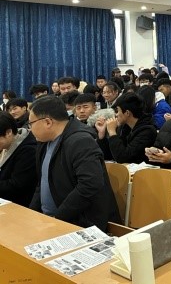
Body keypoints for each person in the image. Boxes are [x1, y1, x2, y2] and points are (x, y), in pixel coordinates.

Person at [28, 96, 120, 231]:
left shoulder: (81, 141)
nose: (30, 129)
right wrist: (31, 214)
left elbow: (90, 185)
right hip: (49, 220)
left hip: (78, 222)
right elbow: (43, 182)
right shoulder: (44, 142)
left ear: (48, 122)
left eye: (31, 123)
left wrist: (57, 218)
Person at [96, 92, 157, 164]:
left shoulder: (147, 131)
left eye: (118, 110)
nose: (116, 115)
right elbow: (109, 155)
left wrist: (112, 132)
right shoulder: (124, 127)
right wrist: (102, 135)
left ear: (127, 113)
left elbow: (123, 158)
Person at [0, 112, 37, 206]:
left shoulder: (28, 150)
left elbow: (17, 185)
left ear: (8, 132)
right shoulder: (5, 145)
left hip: (18, 205)